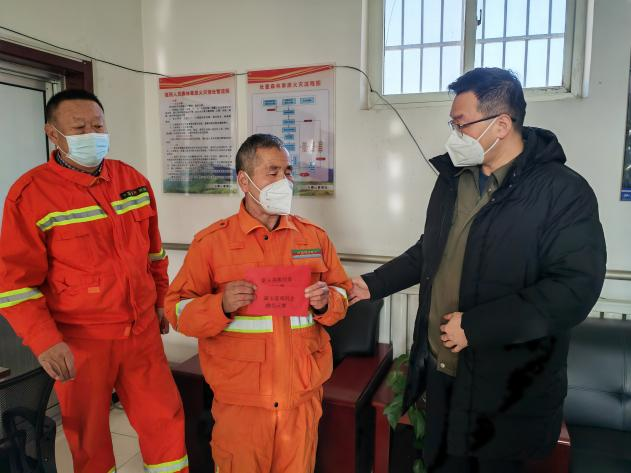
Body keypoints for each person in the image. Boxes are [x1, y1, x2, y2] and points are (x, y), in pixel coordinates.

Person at [350, 68, 607, 472]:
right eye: (452, 124)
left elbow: (573, 288)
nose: (454, 135)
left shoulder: (562, 191)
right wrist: (370, 285)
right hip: (443, 374)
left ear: (501, 125)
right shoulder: (454, 181)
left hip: (507, 391)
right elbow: (429, 251)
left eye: (461, 123)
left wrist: (477, 326)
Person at [0, 89, 188, 473]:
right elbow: (15, 283)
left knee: (165, 420)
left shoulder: (131, 180)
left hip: (141, 333)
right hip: (80, 341)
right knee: (89, 438)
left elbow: (154, 253)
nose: (93, 134)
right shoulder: (30, 195)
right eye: (80, 127)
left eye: (98, 125)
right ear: (53, 133)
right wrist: (44, 340)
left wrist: (160, 301)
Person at [165, 133, 350, 473]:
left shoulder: (313, 237)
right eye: (273, 172)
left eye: (288, 172)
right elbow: (177, 310)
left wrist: (326, 302)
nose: (284, 181)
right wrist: (220, 305)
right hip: (242, 404)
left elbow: (342, 292)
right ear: (244, 181)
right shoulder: (211, 243)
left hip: (301, 398)